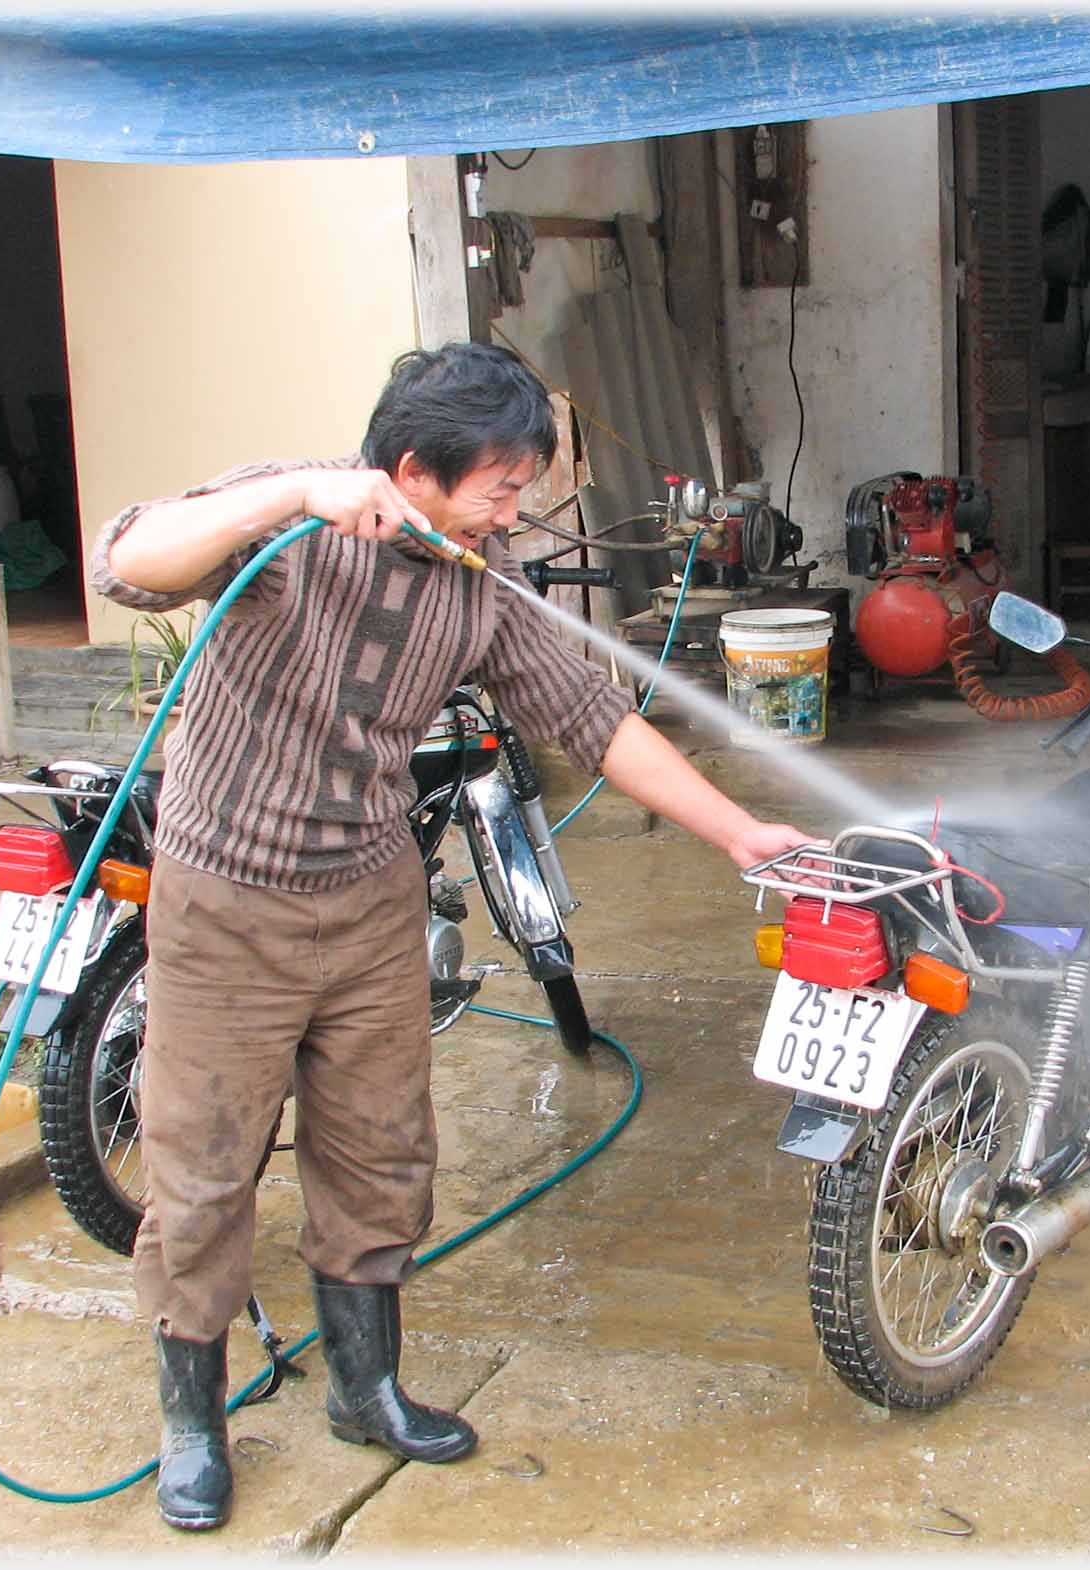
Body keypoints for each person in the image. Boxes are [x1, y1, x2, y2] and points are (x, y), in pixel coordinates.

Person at [88, 342, 818, 1531]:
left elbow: (587, 713)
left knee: (380, 1149)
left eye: (523, 486)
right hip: (227, 899)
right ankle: (191, 1420)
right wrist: (292, 496)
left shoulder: (479, 578)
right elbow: (126, 558)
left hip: (369, 896)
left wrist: (738, 832)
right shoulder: (294, 523)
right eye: (502, 485)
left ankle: (366, 1387)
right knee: (206, 1165)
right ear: (416, 468)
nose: (515, 509)